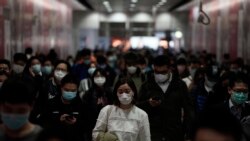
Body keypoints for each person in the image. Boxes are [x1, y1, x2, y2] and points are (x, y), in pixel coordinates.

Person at [137, 55, 194, 141]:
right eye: (156, 72)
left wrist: (187, 131)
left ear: (169, 69)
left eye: (163, 72)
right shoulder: (147, 85)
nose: (159, 75)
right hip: (153, 133)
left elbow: (188, 109)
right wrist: (148, 104)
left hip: (174, 133)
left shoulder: (179, 85)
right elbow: (138, 107)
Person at [40, 74, 88, 141]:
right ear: (61, 88)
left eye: (73, 91)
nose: (69, 93)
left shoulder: (82, 105)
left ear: (77, 90)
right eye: (67, 90)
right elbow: (43, 123)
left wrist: (77, 123)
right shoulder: (50, 103)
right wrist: (58, 120)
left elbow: (87, 127)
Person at [83, 68, 113, 138]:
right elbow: (85, 113)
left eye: (102, 76)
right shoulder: (88, 94)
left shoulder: (110, 93)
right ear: (93, 78)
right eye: (97, 76)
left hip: (108, 126)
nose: (99, 78)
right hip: (92, 125)